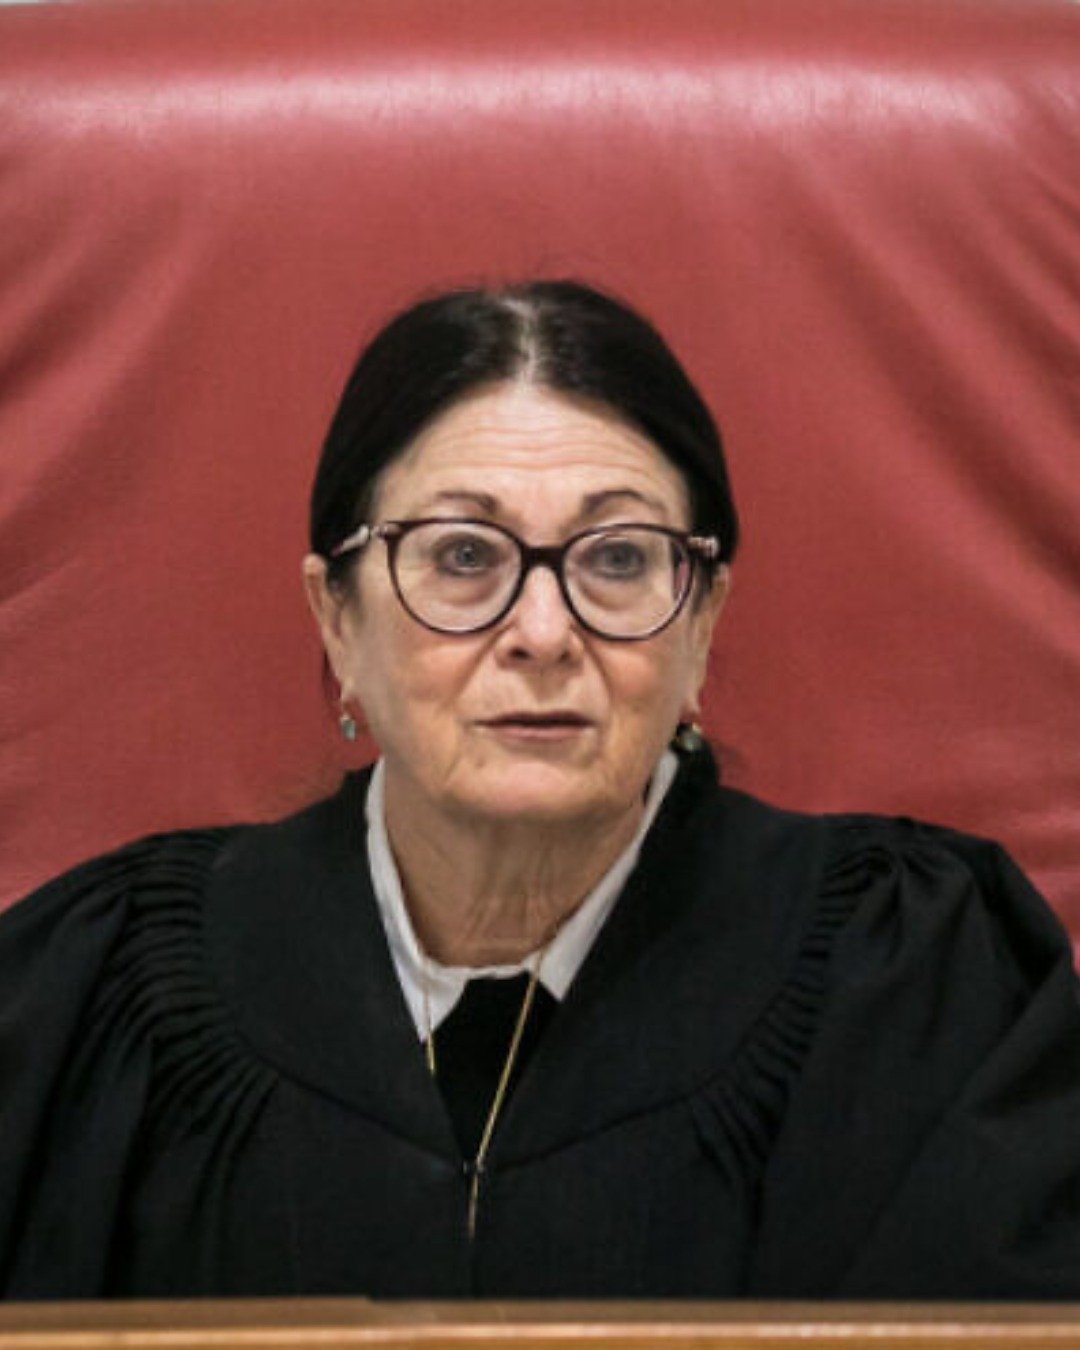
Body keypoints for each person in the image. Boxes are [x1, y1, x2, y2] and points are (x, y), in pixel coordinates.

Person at [2, 281, 1079, 1301]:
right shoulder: (97, 992)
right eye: (464, 554)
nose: (544, 633)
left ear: (701, 623)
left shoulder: (917, 980)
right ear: (337, 619)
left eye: (618, 560)